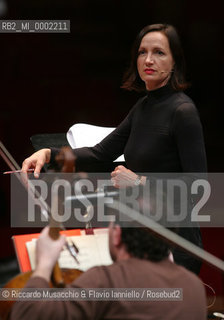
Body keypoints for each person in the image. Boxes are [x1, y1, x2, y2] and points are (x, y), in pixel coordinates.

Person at [21, 23, 207, 274]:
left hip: (174, 244)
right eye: (142, 52)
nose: (148, 59)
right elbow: (101, 153)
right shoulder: (143, 107)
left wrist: (139, 182)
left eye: (159, 52)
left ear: (175, 62)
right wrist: (49, 154)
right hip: (142, 236)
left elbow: (198, 187)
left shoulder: (183, 112)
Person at [10, 222, 207, 320]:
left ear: (117, 235)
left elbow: (26, 314)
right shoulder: (194, 286)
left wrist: (45, 262)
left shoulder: (106, 280)